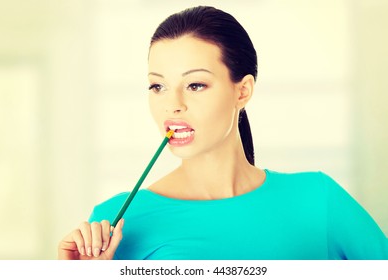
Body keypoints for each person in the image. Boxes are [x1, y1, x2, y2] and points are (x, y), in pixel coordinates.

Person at [58, 6, 388, 260]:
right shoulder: (113, 227)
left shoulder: (319, 199)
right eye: (158, 86)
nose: (173, 105)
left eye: (195, 84)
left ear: (242, 91)